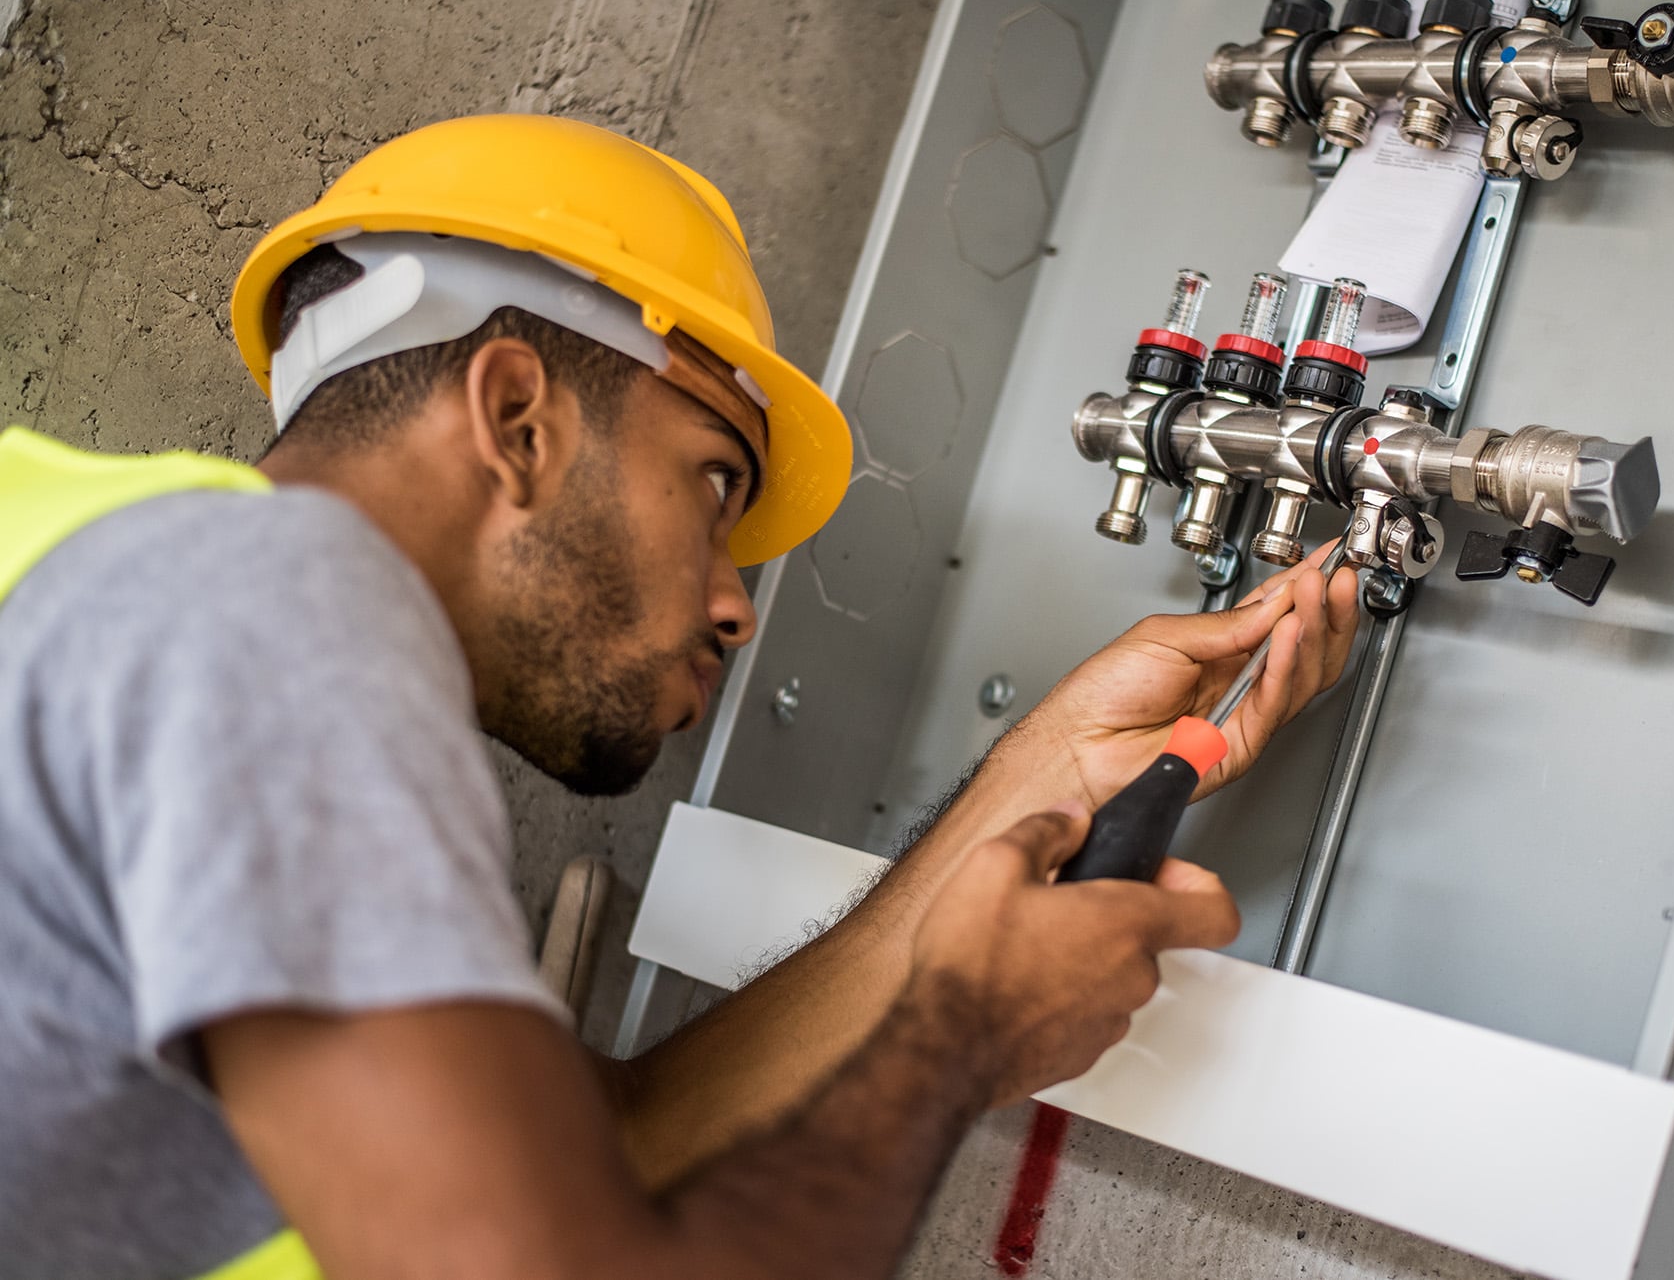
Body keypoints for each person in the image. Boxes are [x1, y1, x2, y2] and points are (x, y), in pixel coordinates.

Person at [0, 114, 1360, 1280]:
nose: (734, 602)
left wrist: (1036, 777)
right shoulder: (271, 616)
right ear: (518, 415)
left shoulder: (94, 560)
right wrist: (960, 1043)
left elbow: (603, 1151)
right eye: (717, 482)